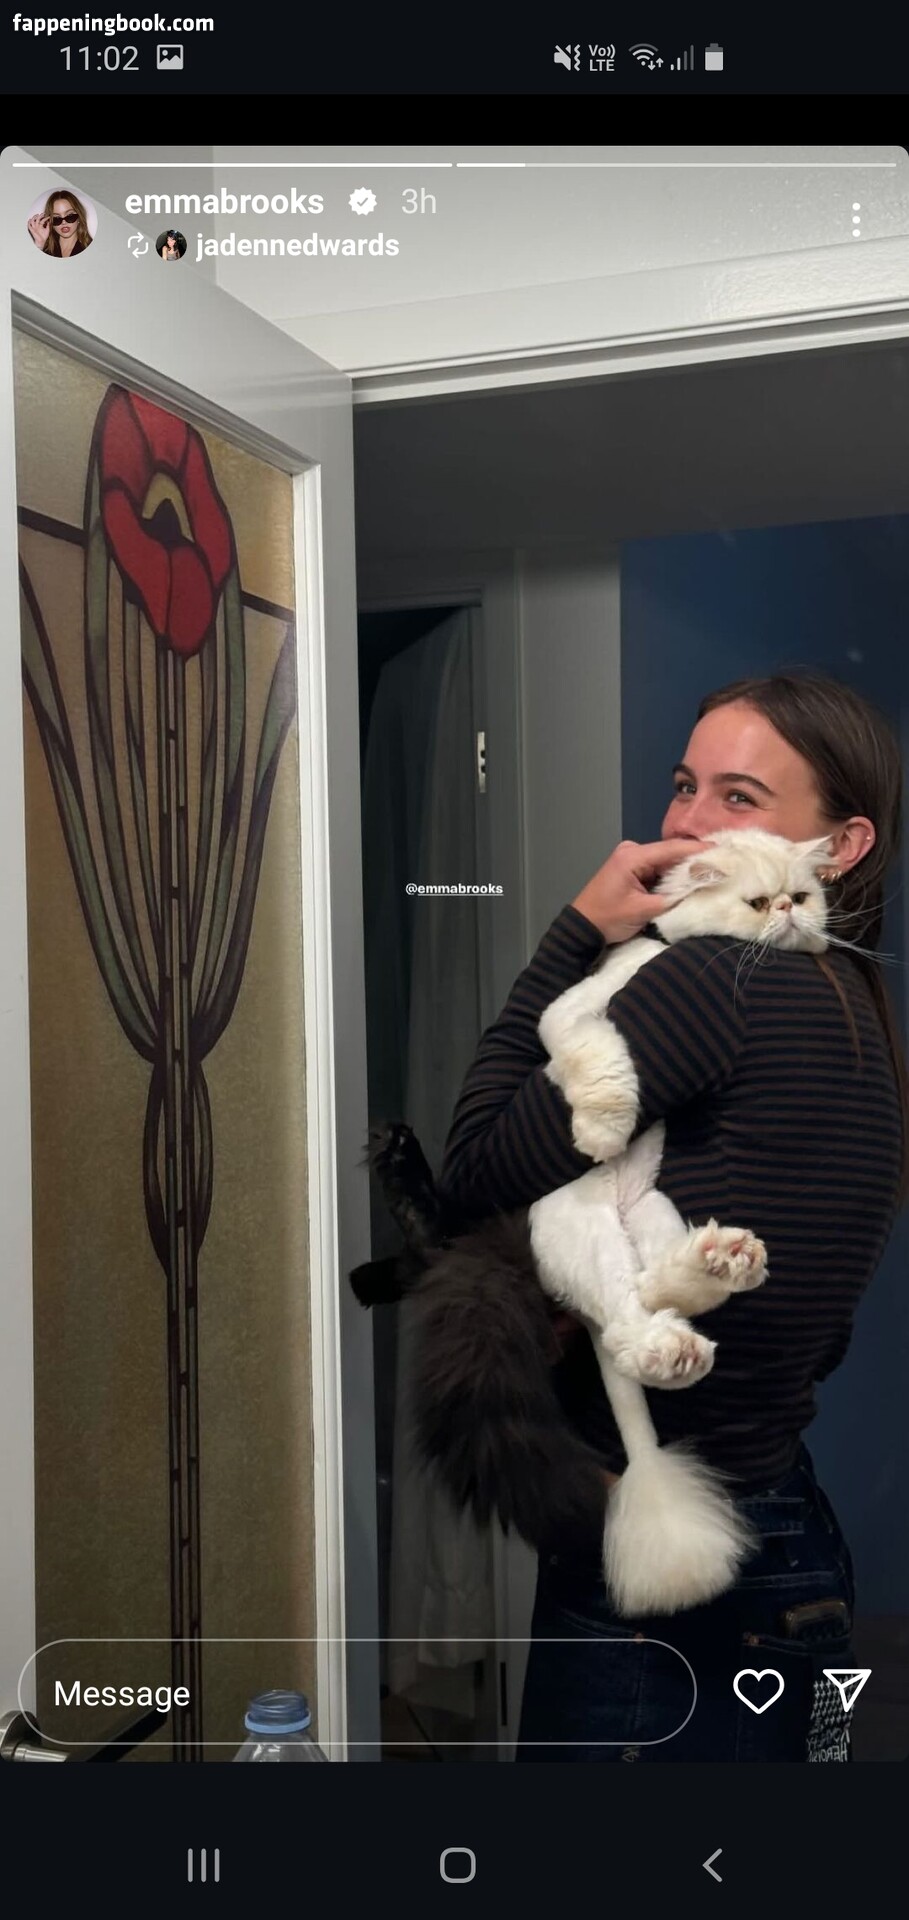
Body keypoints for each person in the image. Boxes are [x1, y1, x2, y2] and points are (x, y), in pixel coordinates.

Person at [435, 670, 907, 1762]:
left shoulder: (713, 979)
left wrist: (573, 933)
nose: (687, 823)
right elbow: (815, 1326)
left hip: (671, 1583)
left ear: (840, 847)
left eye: (739, 797)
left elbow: (474, 1169)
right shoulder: (854, 1014)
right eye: (684, 785)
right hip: (796, 1553)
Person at [27, 191, 93, 258]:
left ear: (79, 217)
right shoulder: (45, 249)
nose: (63, 222)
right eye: (57, 218)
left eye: (70, 216)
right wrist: (40, 245)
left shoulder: (92, 249)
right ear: (50, 221)